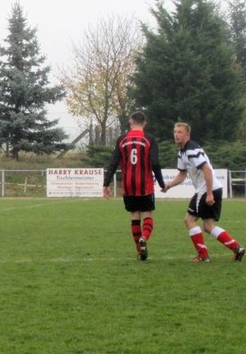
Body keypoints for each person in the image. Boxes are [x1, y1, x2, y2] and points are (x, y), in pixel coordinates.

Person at [162, 122, 245, 263]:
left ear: (187, 135)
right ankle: (237, 248)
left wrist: (209, 193)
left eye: (180, 132)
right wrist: (169, 185)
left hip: (207, 189)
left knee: (189, 220)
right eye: (175, 132)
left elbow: (206, 169)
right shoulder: (182, 153)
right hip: (213, 188)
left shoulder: (191, 150)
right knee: (208, 225)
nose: (176, 135)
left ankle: (203, 255)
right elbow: (182, 174)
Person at [102, 111, 165, 260]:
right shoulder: (150, 139)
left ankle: (140, 251)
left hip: (128, 185)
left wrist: (106, 183)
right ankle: (144, 237)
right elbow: (155, 162)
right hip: (145, 184)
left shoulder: (122, 139)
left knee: (134, 215)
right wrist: (162, 183)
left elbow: (113, 162)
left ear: (130, 122)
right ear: (145, 123)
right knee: (147, 213)